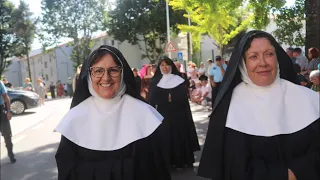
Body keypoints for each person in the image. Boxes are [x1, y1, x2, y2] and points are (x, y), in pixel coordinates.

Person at [197, 30, 320, 180]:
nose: (263, 63)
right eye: (253, 56)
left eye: (269, 54)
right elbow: (232, 165)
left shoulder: (309, 100)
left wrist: (298, 172)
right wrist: (283, 176)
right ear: (243, 62)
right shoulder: (229, 107)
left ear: (277, 58)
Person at [55, 45, 171, 180]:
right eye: (98, 71)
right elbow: (66, 172)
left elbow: (158, 170)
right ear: (88, 76)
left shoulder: (144, 115)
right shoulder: (74, 119)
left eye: (113, 70)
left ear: (123, 74)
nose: (106, 78)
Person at [149, 56, 200, 170]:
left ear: (171, 66)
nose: (165, 67)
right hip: (164, 115)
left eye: (167, 64)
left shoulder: (179, 80)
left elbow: (184, 98)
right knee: (166, 137)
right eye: (162, 65)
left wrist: (173, 98)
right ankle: (168, 162)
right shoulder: (155, 81)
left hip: (179, 114)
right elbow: (152, 100)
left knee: (180, 136)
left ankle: (183, 160)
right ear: (159, 67)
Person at [0, 81, 16, 163]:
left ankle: (10, 154)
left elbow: (6, 97)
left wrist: (9, 111)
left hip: (1, 111)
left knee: (7, 135)